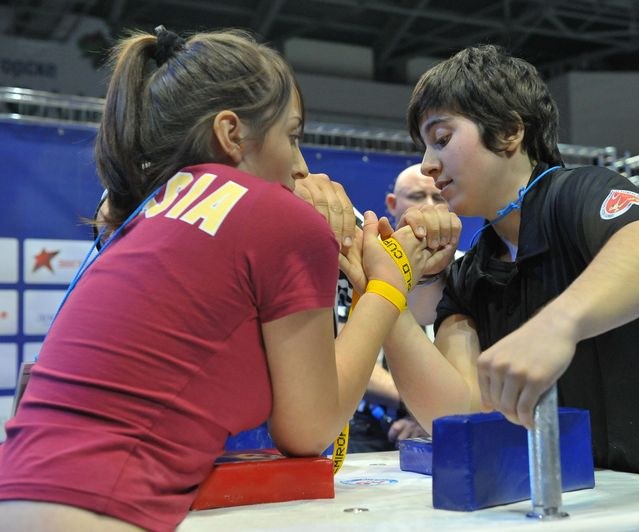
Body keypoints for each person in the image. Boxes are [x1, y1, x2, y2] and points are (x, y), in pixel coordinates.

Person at [0, 27, 439, 531]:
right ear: (231, 133)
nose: (302, 167)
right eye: (292, 137)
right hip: (97, 510)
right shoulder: (281, 217)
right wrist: (387, 285)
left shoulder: (149, 206)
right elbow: (309, 428)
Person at [367, 44, 639, 487]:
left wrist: (555, 327)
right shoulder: (471, 272)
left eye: (442, 138)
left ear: (509, 131)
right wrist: (387, 288)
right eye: (425, 147)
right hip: (579, 505)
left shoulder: (578, 193)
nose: (428, 165)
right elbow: (459, 413)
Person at [346, 164, 448, 451]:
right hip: (368, 425)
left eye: (438, 197)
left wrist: (428, 415)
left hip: (438, 421)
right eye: (417, 196)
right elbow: (343, 349)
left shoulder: (464, 266)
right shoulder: (362, 260)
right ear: (392, 203)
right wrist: (420, 404)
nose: (429, 206)